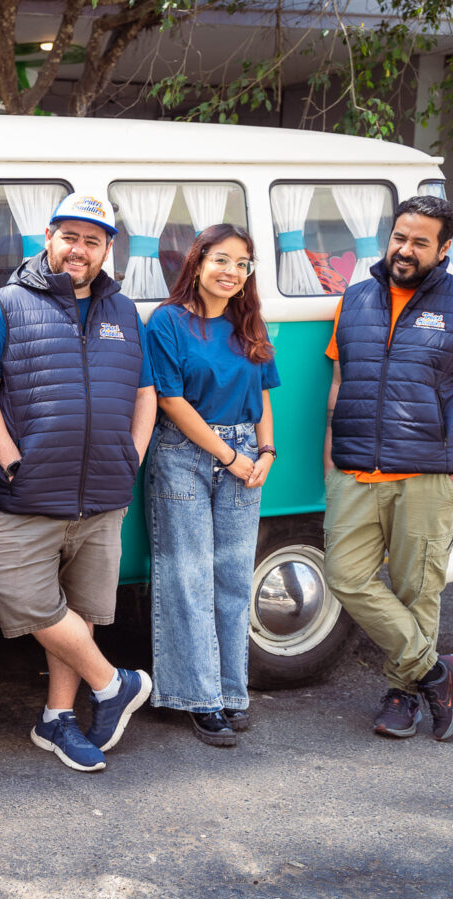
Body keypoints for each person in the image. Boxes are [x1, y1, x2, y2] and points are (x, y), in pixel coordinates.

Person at [0, 192, 156, 772]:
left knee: (83, 612)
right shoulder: (8, 304)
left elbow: (145, 393)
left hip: (104, 493)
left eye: (92, 240)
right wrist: (10, 460)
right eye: (69, 236)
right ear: (47, 237)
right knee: (22, 597)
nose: (79, 249)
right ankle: (113, 682)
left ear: (107, 250)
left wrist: (133, 456)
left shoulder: (124, 312)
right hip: (29, 494)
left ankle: (58, 720)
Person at [323, 195, 453, 741]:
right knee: (344, 577)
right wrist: (330, 461)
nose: (405, 249)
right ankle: (435, 671)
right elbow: (340, 384)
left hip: (428, 473)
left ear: (443, 248)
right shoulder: (354, 299)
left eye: (420, 241)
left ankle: (403, 694)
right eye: (400, 236)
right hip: (355, 470)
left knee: (416, 589)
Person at [143, 225, 279, 747]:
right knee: (188, 577)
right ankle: (199, 699)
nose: (231, 271)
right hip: (184, 454)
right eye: (222, 259)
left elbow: (264, 393)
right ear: (197, 263)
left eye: (242, 264)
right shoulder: (168, 322)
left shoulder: (249, 323)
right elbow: (170, 400)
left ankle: (231, 693)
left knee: (233, 578)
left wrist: (266, 452)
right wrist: (229, 456)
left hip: (247, 452)